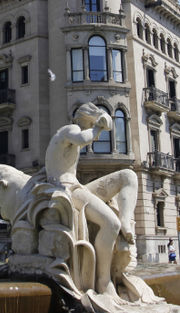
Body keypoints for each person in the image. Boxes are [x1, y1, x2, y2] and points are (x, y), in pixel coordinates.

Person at [44, 102, 138, 297]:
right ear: (85, 120)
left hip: (77, 187)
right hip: (66, 188)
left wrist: (102, 124)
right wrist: (99, 127)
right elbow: (82, 138)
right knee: (110, 224)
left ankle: (125, 221)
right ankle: (103, 282)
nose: (97, 137)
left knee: (129, 176)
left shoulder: (71, 136)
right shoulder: (70, 130)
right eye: (91, 125)